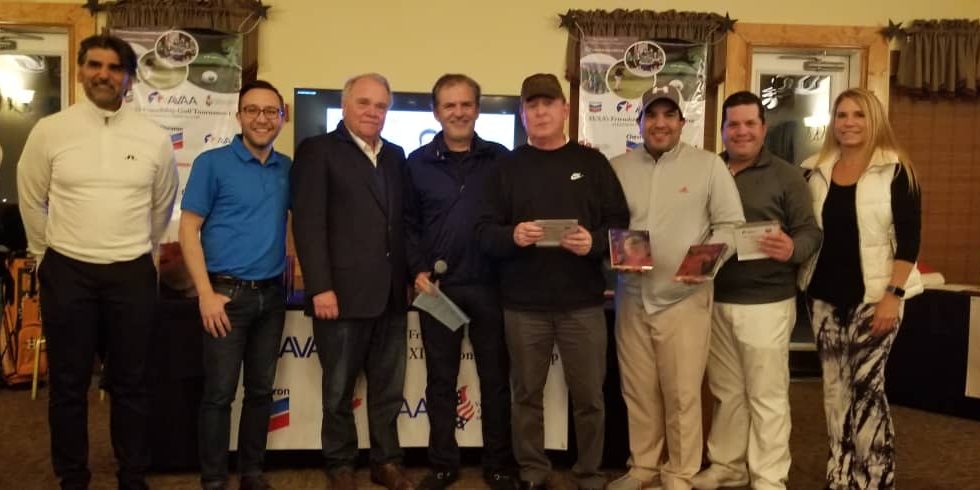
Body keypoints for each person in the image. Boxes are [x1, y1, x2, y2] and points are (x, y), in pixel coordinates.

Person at [16, 34, 178, 490]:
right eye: (94, 65)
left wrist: (138, 251)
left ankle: (132, 476)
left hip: (131, 273)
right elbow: (31, 197)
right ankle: (72, 477)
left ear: (129, 78)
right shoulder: (50, 130)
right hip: (67, 271)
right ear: (82, 70)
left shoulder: (153, 139)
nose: (103, 74)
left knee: (131, 383)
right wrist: (45, 256)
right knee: (68, 386)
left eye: (113, 67)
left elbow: (161, 206)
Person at [475, 73, 629, 490]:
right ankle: (533, 471)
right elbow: (484, 231)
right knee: (526, 396)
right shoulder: (505, 167)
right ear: (523, 114)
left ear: (564, 110)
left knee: (590, 399)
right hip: (523, 305)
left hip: (583, 303)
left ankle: (590, 472)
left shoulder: (592, 164)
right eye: (532, 106)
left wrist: (593, 242)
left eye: (548, 104)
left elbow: (620, 224)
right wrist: (513, 236)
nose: (540, 112)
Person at [607, 86, 744, 490]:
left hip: (684, 298)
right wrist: (613, 255)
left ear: (683, 123)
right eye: (652, 116)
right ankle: (643, 467)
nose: (660, 123)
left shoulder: (708, 167)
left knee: (682, 393)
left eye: (669, 116)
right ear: (640, 122)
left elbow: (730, 226)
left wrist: (702, 266)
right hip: (631, 296)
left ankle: (680, 472)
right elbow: (608, 225)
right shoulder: (618, 166)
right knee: (638, 389)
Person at [692, 92, 821, 490]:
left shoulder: (786, 175)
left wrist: (791, 248)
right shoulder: (707, 170)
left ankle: (769, 477)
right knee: (726, 392)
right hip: (713, 298)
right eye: (734, 124)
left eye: (750, 124)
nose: (742, 131)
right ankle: (728, 467)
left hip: (766, 302)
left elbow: (810, 232)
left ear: (763, 128)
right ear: (723, 129)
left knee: (766, 395)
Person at [290, 73, 413, 490]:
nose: (372, 112)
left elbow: (402, 224)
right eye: (364, 103)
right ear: (345, 107)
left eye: (380, 105)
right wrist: (319, 286)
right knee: (338, 390)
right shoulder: (318, 151)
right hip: (339, 296)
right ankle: (340, 465)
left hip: (393, 297)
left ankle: (386, 461)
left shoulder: (396, 156)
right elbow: (308, 224)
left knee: (388, 390)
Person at [799, 88, 922, 490]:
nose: (849, 122)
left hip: (877, 299)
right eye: (842, 114)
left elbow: (909, 240)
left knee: (867, 389)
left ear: (874, 120)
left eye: (859, 115)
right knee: (834, 389)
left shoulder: (897, 170)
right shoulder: (813, 169)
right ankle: (840, 472)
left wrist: (893, 296)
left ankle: (874, 478)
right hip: (823, 297)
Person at [403, 74, 517, 490]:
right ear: (436, 112)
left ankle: (499, 464)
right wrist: (416, 269)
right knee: (440, 380)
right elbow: (408, 226)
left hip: (491, 286)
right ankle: (443, 464)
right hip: (438, 291)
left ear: (477, 108)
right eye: (449, 105)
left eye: (466, 104)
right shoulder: (415, 163)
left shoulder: (502, 160)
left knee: (495, 380)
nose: (458, 112)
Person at [179, 80, 290, 490]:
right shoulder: (211, 163)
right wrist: (205, 294)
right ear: (239, 115)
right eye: (252, 110)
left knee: (261, 392)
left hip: (272, 297)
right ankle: (212, 480)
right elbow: (189, 230)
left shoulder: (287, 168)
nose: (261, 119)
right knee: (220, 395)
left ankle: (252, 473)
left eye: (270, 111)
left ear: (281, 117)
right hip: (225, 297)